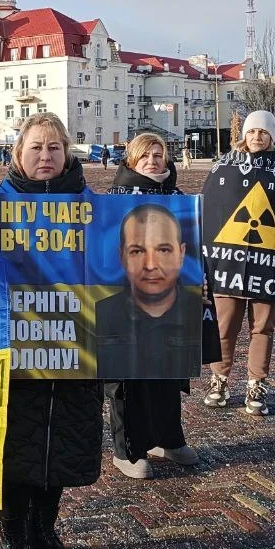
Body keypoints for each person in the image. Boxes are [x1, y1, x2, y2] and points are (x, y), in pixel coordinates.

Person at [0, 113, 104, 549]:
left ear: (67, 154)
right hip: (11, 353)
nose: (45, 156)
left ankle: (44, 531)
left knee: (60, 445)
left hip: (73, 348)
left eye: (54, 148)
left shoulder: (94, 208)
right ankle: (13, 542)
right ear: (18, 154)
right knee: (15, 449)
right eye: (35, 147)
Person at [203, 110, 275, 416]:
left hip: (269, 263)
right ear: (244, 135)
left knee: (262, 327)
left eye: (263, 133)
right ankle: (219, 381)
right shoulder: (224, 166)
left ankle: (256, 384)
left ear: (272, 136)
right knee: (224, 326)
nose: (256, 137)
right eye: (252, 132)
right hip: (227, 262)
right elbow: (210, 210)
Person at [104, 134, 199, 480]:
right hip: (126, 299)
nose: (153, 160)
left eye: (159, 154)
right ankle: (127, 449)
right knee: (128, 377)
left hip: (171, 298)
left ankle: (168, 437)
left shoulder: (178, 199)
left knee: (169, 368)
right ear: (131, 160)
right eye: (145, 155)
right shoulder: (113, 199)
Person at [94, 202, 201, 383]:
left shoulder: (197, 312)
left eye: (163, 250)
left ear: (181, 253)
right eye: (137, 251)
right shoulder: (98, 315)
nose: (151, 265)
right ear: (122, 256)